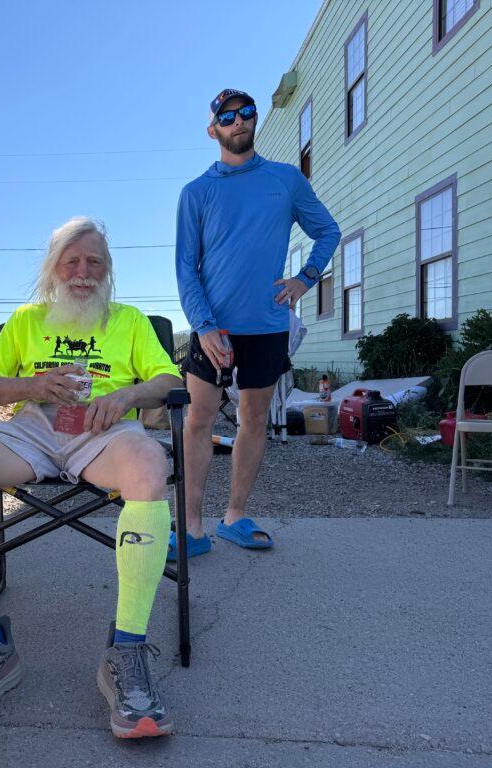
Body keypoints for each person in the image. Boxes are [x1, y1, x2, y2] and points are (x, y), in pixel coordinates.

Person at [0, 217, 183, 738]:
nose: (83, 273)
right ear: (53, 268)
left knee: (150, 463)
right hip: (34, 431)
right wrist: (35, 383)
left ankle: (127, 652)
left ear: (107, 273)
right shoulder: (25, 320)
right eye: (73, 262)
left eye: (95, 263)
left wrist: (126, 395)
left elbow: (168, 381)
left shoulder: (129, 320)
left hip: (105, 433)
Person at [175, 88, 339, 556]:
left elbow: (328, 230)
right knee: (198, 421)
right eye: (227, 117)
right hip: (213, 329)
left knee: (253, 420)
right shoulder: (197, 192)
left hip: (267, 326)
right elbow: (187, 266)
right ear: (213, 130)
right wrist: (203, 325)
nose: (238, 122)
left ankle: (234, 517)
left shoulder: (285, 180)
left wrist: (307, 278)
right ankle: (191, 529)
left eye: (246, 113)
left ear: (254, 120)